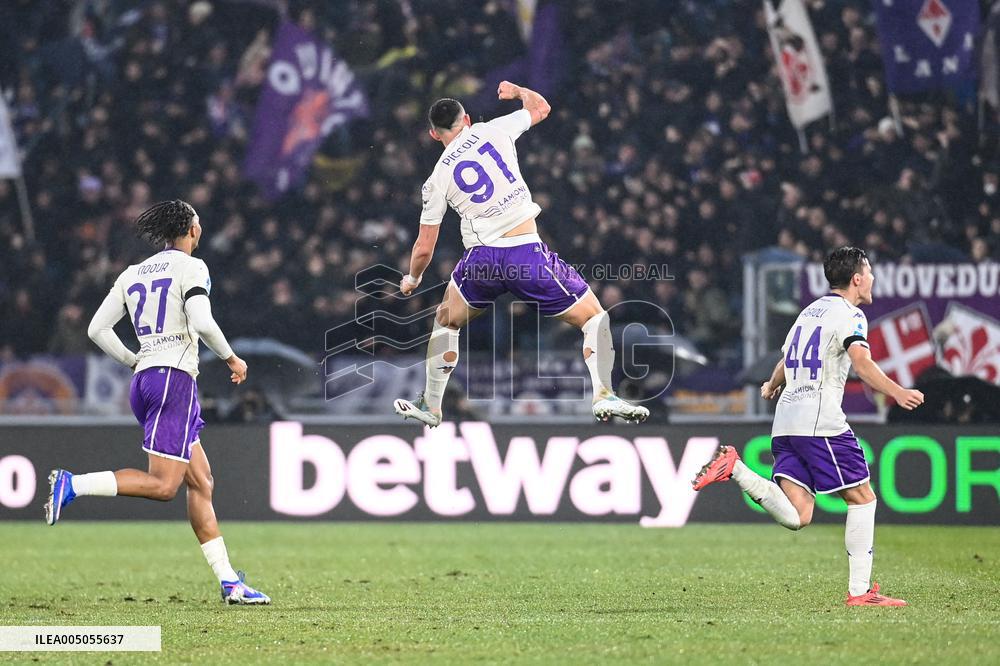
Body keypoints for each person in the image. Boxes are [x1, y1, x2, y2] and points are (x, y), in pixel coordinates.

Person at [45, 200, 270, 606]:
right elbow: (201, 322)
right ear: (191, 229)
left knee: (201, 482)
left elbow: (98, 329)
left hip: (147, 380)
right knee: (166, 486)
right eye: (198, 221)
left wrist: (135, 360)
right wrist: (232, 358)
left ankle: (229, 583)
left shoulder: (132, 273)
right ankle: (72, 484)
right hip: (173, 382)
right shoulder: (192, 267)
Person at [393, 81, 649, 426]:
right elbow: (541, 107)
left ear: (434, 134)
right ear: (466, 119)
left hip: (482, 261)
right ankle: (604, 393)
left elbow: (424, 246)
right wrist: (517, 92)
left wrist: (412, 279)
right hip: (524, 255)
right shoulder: (492, 129)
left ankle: (432, 405)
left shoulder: (436, 178)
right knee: (594, 318)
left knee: (445, 321)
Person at [692, 247, 924, 607]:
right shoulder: (851, 315)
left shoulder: (808, 312)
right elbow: (861, 362)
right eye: (870, 272)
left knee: (798, 515)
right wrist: (897, 391)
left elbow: (787, 358)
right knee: (863, 499)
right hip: (820, 422)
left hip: (785, 423)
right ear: (857, 278)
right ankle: (861, 593)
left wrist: (771, 385)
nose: (873, 278)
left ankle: (735, 469)